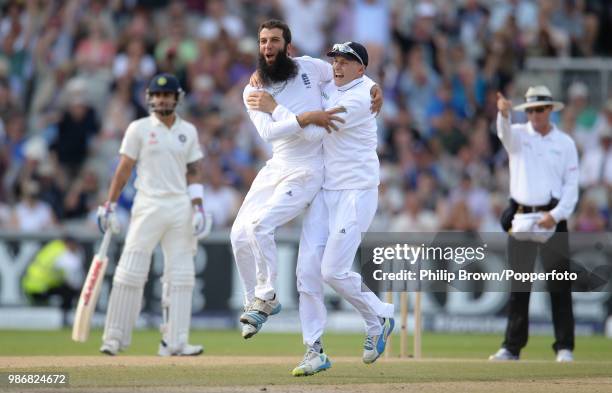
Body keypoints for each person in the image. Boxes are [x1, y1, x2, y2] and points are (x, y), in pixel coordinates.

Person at [250, 42, 394, 375]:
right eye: (336, 61)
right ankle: (313, 349)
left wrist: (273, 107)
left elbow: (315, 129)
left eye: (347, 62)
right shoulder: (331, 81)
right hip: (324, 191)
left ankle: (380, 315)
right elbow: (296, 66)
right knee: (306, 274)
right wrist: (263, 71)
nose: (338, 66)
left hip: (356, 191)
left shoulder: (361, 96)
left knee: (333, 271)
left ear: (362, 69)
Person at [232, 20, 382, 339]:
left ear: (289, 47)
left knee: (261, 226)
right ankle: (254, 301)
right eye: (262, 42)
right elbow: (269, 131)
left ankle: (267, 296)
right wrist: (304, 117)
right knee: (238, 234)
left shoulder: (311, 68)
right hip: (278, 164)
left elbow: (350, 77)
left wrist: (373, 87)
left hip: (309, 169)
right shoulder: (254, 89)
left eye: (274, 41)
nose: (267, 47)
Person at [97, 73, 211, 357]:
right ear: (150, 98)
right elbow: (123, 169)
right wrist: (109, 204)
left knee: (182, 276)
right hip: (147, 204)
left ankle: (175, 341)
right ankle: (114, 338)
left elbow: (194, 171)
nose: (162, 99)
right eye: (158, 95)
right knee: (129, 273)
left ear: (177, 98)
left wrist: (198, 206)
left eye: (167, 95)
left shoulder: (189, 131)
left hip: (180, 206)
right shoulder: (138, 128)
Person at [490, 86, 579, 362]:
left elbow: (572, 186)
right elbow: (504, 133)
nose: (535, 115)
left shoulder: (565, 143)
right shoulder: (517, 135)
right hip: (522, 216)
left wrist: (558, 214)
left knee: (559, 286)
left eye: (540, 109)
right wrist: (503, 114)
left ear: (550, 110)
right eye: (530, 110)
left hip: (552, 216)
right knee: (519, 286)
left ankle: (564, 347)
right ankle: (512, 347)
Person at [22, 236, 84, 327]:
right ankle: (65, 319)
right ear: (70, 244)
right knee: (70, 290)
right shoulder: (64, 254)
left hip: (30, 286)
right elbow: (73, 273)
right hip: (40, 288)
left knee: (66, 288)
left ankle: (65, 317)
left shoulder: (53, 247)